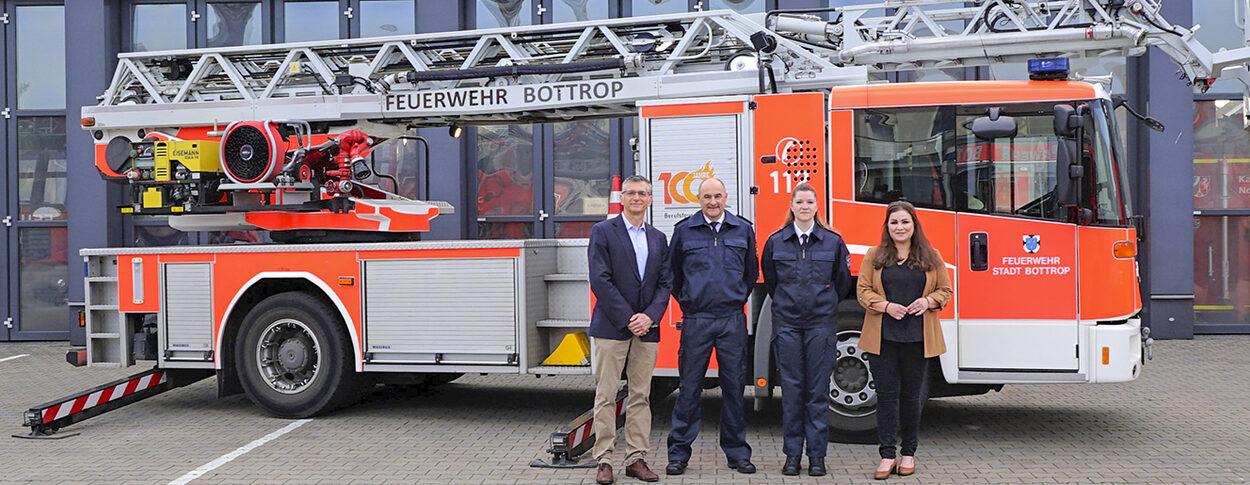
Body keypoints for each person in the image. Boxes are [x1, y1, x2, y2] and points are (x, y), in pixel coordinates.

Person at [665, 177, 757, 476]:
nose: (713, 202)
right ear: (699, 198)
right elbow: (673, 276)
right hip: (697, 319)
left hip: (731, 318)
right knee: (689, 388)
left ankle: (737, 452)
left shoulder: (742, 229)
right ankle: (679, 454)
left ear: (725, 197)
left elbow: (750, 274)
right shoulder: (684, 231)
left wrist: (732, 301)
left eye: (718, 196)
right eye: (707, 196)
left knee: (733, 388)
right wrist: (691, 303)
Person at [760, 183, 852, 477]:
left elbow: (842, 282)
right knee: (792, 392)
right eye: (799, 201)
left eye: (809, 201)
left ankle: (816, 457)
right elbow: (771, 283)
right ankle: (791, 456)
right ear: (792, 205)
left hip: (820, 326)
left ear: (816, 206)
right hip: (787, 325)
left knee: (817, 392)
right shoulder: (776, 242)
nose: (804, 206)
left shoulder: (833, 242)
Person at [855, 200, 951, 480]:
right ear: (887, 226)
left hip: (917, 338)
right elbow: (863, 291)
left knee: (911, 398)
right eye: (894, 222)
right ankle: (887, 456)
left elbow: (945, 290)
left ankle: (908, 453)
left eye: (905, 222)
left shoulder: (931, 257)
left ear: (914, 225)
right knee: (885, 398)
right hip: (882, 338)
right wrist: (885, 306)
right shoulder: (874, 255)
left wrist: (928, 300)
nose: (899, 227)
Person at [588, 175, 672, 484]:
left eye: (643, 193)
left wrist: (648, 317)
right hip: (611, 327)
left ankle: (636, 459)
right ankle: (605, 460)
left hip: (647, 329)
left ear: (650, 200)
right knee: (606, 395)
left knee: (641, 396)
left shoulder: (658, 238)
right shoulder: (603, 232)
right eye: (631, 193)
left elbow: (666, 284)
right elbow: (600, 279)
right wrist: (628, 318)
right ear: (623, 198)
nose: (637, 198)